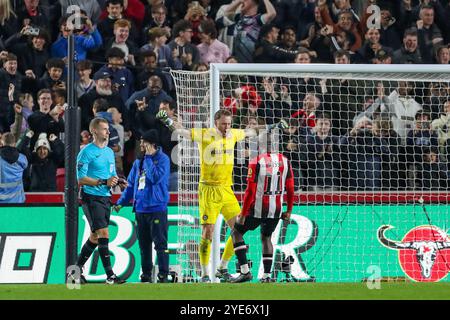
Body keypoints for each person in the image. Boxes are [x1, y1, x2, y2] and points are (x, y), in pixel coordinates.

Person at [175, 109, 288, 282]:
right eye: (223, 124)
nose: (227, 127)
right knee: (208, 231)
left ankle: (222, 267)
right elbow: (181, 131)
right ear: (216, 122)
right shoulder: (204, 134)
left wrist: (274, 126)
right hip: (208, 190)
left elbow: (254, 130)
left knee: (238, 228)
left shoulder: (233, 134)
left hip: (227, 189)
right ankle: (205, 273)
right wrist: (168, 121)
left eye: (229, 123)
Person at [230, 132, 294, 283]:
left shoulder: (256, 161)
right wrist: (289, 210)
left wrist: (244, 213)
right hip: (276, 208)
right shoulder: (285, 161)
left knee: (236, 233)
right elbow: (290, 188)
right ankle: (266, 276)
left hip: (258, 208)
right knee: (266, 238)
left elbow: (250, 191)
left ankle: (245, 271)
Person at [72, 117, 128, 284]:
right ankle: (110, 276)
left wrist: (118, 180)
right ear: (94, 131)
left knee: (95, 238)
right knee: (103, 233)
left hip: (105, 197)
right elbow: (80, 179)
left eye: (107, 129)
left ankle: (74, 271)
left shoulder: (110, 152)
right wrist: (103, 182)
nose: (108, 132)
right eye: (104, 129)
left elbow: (111, 174)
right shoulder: (86, 152)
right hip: (91, 197)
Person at [113, 129, 170, 283]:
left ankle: (163, 274)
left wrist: (150, 159)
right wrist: (121, 202)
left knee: (160, 244)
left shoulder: (163, 159)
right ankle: (146, 275)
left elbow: (156, 177)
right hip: (140, 209)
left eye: (144, 142)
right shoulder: (139, 161)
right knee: (144, 246)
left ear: (152, 144)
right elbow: (131, 185)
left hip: (157, 208)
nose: (141, 145)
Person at [0, 132, 28, 203]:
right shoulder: (22, 158)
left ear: (2, 143)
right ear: (14, 144)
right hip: (18, 201)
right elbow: (26, 167)